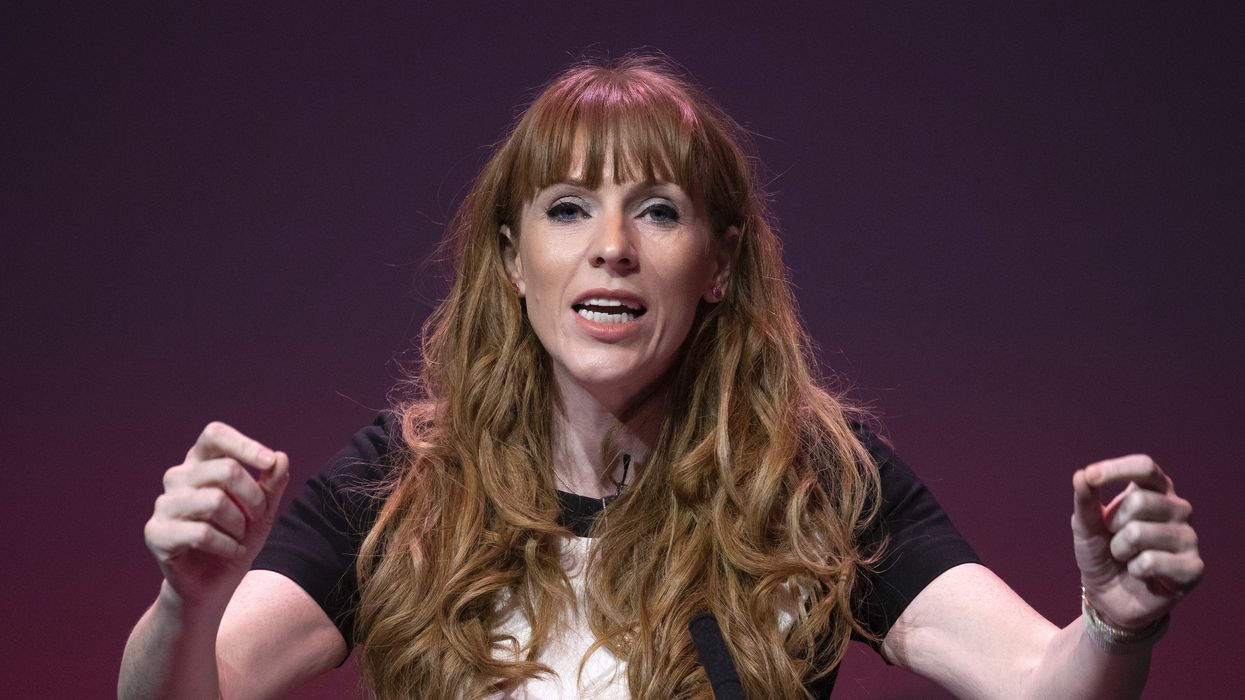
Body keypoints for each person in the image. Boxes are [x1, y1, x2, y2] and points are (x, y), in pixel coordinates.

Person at [119, 55, 1203, 699]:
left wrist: (1115, 624)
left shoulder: (812, 482)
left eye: (657, 210)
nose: (611, 249)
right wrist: (187, 602)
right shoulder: (404, 486)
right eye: (567, 209)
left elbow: (1035, 680)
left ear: (717, 265)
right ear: (513, 260)